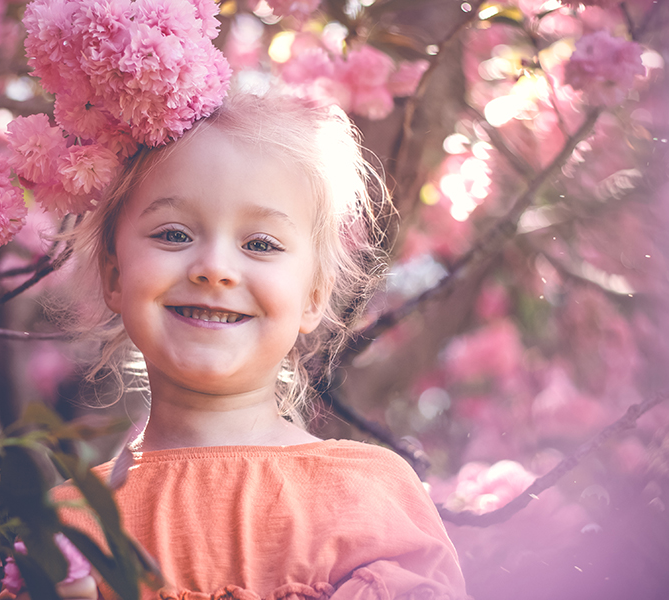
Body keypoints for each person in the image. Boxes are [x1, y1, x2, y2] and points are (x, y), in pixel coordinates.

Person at [25, 88, 467, 600]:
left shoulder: (369, 497)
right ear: (114, 274)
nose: (214, 268)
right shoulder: (69, 524)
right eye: (172, 234)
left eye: (260, 244)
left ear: (313, 296)